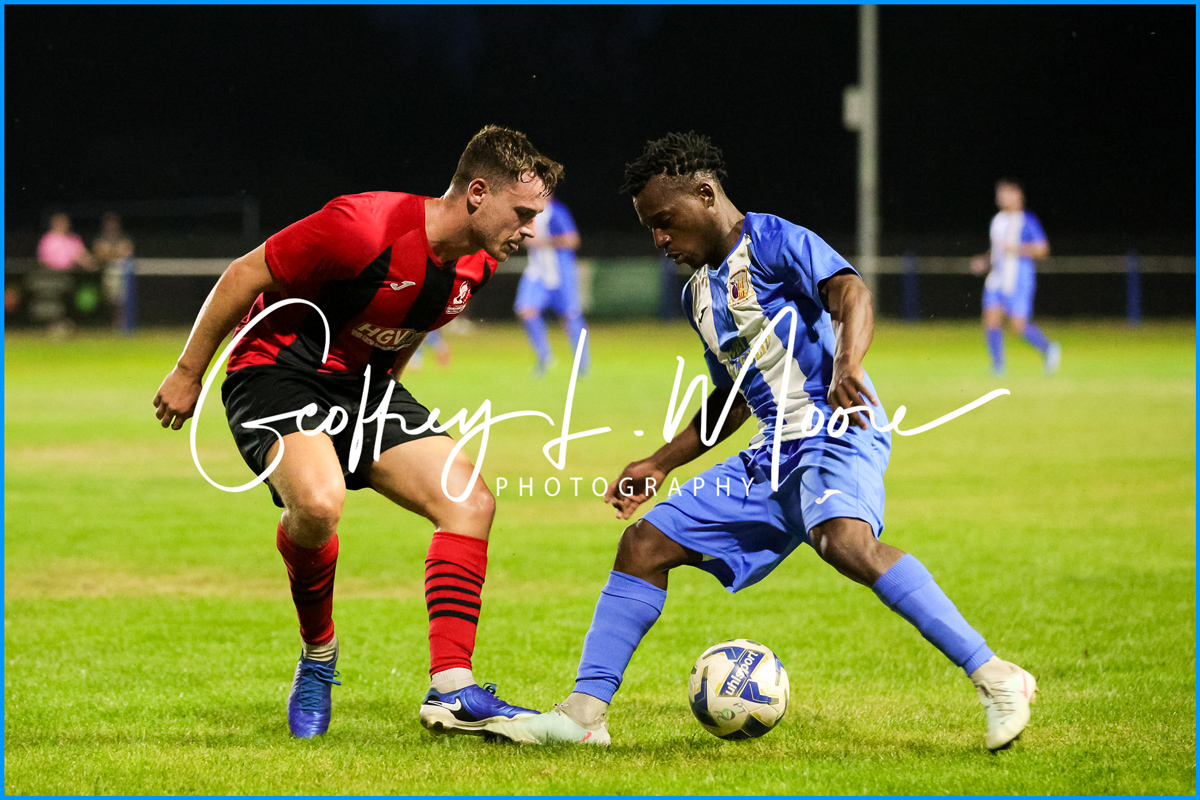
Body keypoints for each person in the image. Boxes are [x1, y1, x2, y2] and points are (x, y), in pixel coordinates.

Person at [497, 133, 1037, 751]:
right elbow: (729, 396)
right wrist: (658, 463)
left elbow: (850, 292)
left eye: (665, 222)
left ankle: (997, 677)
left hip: (837, 425)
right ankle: (583, 716)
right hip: (772, 451)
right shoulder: (698, 294)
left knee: (845, 542)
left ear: (706, 195)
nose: (660, 240)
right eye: (650, 228)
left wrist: (847, 365)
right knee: (643, 545)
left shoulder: (775, 241)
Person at [152, 125, 563, 740]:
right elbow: (246, 272)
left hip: (361, 388)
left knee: (470, 502)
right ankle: (319, 657)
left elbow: (412, 324)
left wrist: (384, 397)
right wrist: (189, 372)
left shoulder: (475, 264)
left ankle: (452, 689)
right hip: (276, 370)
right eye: (523, 212)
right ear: (477, 192)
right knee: (318, 505)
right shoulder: (364, 226)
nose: (531, 229)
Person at [970, 179, 1060, 376]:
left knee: (1017, 325)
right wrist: (984, 261)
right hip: (997, 277)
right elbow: (996, 250)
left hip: (1019, 277)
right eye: (999, 194)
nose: (1001, 197)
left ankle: (1048, 348)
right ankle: (998, 367)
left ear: (1018, 196)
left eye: (1006, 193)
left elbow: (1042, 249)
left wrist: (1017, 248)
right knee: (991, 319)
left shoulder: (1026, 220)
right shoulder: (997, 221)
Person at [513, 193, 589, 377]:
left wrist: (545, 242)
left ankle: (582, 364)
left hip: (560, 272)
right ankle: (545, 357)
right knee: (526, 310)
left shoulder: (557, 212)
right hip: (537, 271)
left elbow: (573, 240)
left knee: (571, 316)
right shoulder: (528, 213)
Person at [32, 212, 94, 336]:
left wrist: (92, 264)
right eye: (59, 222)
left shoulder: (73, 239)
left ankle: (72, 323)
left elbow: (82, 256)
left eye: (65, 222)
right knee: (54, 300)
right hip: (52, 276)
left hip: (71, 276)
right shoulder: (48, 239)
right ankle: (55, 324)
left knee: (81, 296)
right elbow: (43, 259)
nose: (63, 225)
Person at [92, 211, 136, 330]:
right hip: (107, 272)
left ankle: (122, 324)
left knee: (122, 300)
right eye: (108, 223)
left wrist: (109, 252)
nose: (111, 225)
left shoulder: (123, 237)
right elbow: (99, 253)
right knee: (109, 299)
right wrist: (115, 252)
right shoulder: (101, 237)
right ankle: (111, 323)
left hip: (123, 272)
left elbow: (127, 252)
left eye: (113, 223)